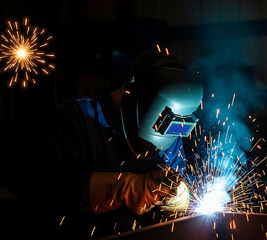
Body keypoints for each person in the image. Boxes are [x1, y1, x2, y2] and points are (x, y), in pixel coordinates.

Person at [43, 49, 203, 238]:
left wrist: (180, 196)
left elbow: (180, 179)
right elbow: (53, 192)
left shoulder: (173, 127)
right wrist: (121, 189)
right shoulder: (75, 117)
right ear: (133, 94)